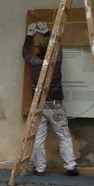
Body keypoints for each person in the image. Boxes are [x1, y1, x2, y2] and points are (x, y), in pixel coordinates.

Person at [23, 21, 79, 176]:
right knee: (64, 136)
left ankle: (40, 168)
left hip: (39, 106)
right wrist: (47, 33)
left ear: (38, 53)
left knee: (38, 139)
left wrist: (29, 36)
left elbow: (26, 53)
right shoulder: (56, 62)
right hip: (55, 106)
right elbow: (57, 49)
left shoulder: (34, 63)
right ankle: (70, 166)